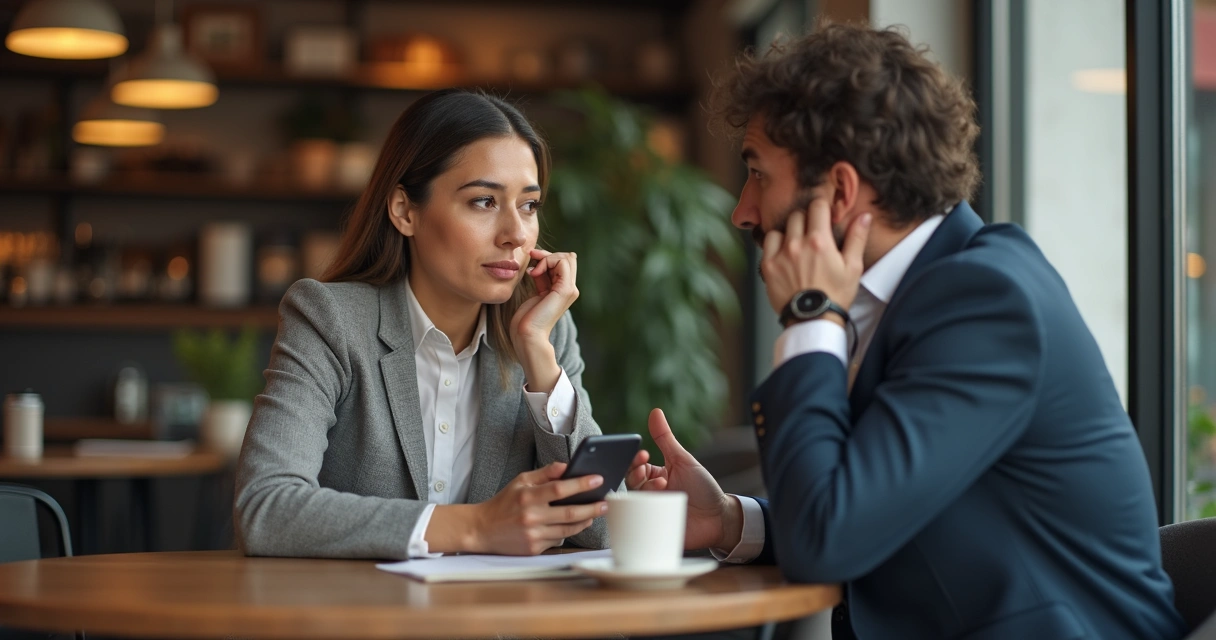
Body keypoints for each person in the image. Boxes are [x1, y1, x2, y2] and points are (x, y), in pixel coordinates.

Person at [626, 23, 1187, 640]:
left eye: (759, 174)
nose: (742, 211)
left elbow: (828, 540)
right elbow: (869, 505)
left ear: (839, 191)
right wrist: (730, 520)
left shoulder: (985, 301)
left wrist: (810, 316)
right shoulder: (916, 293)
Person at [235, 89, 640, 559]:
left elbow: (603, 529)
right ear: (405, 211)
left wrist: (539, 358)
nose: (515, 234)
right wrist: (476, 526)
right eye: (484, 201)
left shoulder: (545, 332)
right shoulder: (331, 319)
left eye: (529, 205)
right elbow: (266, 508)